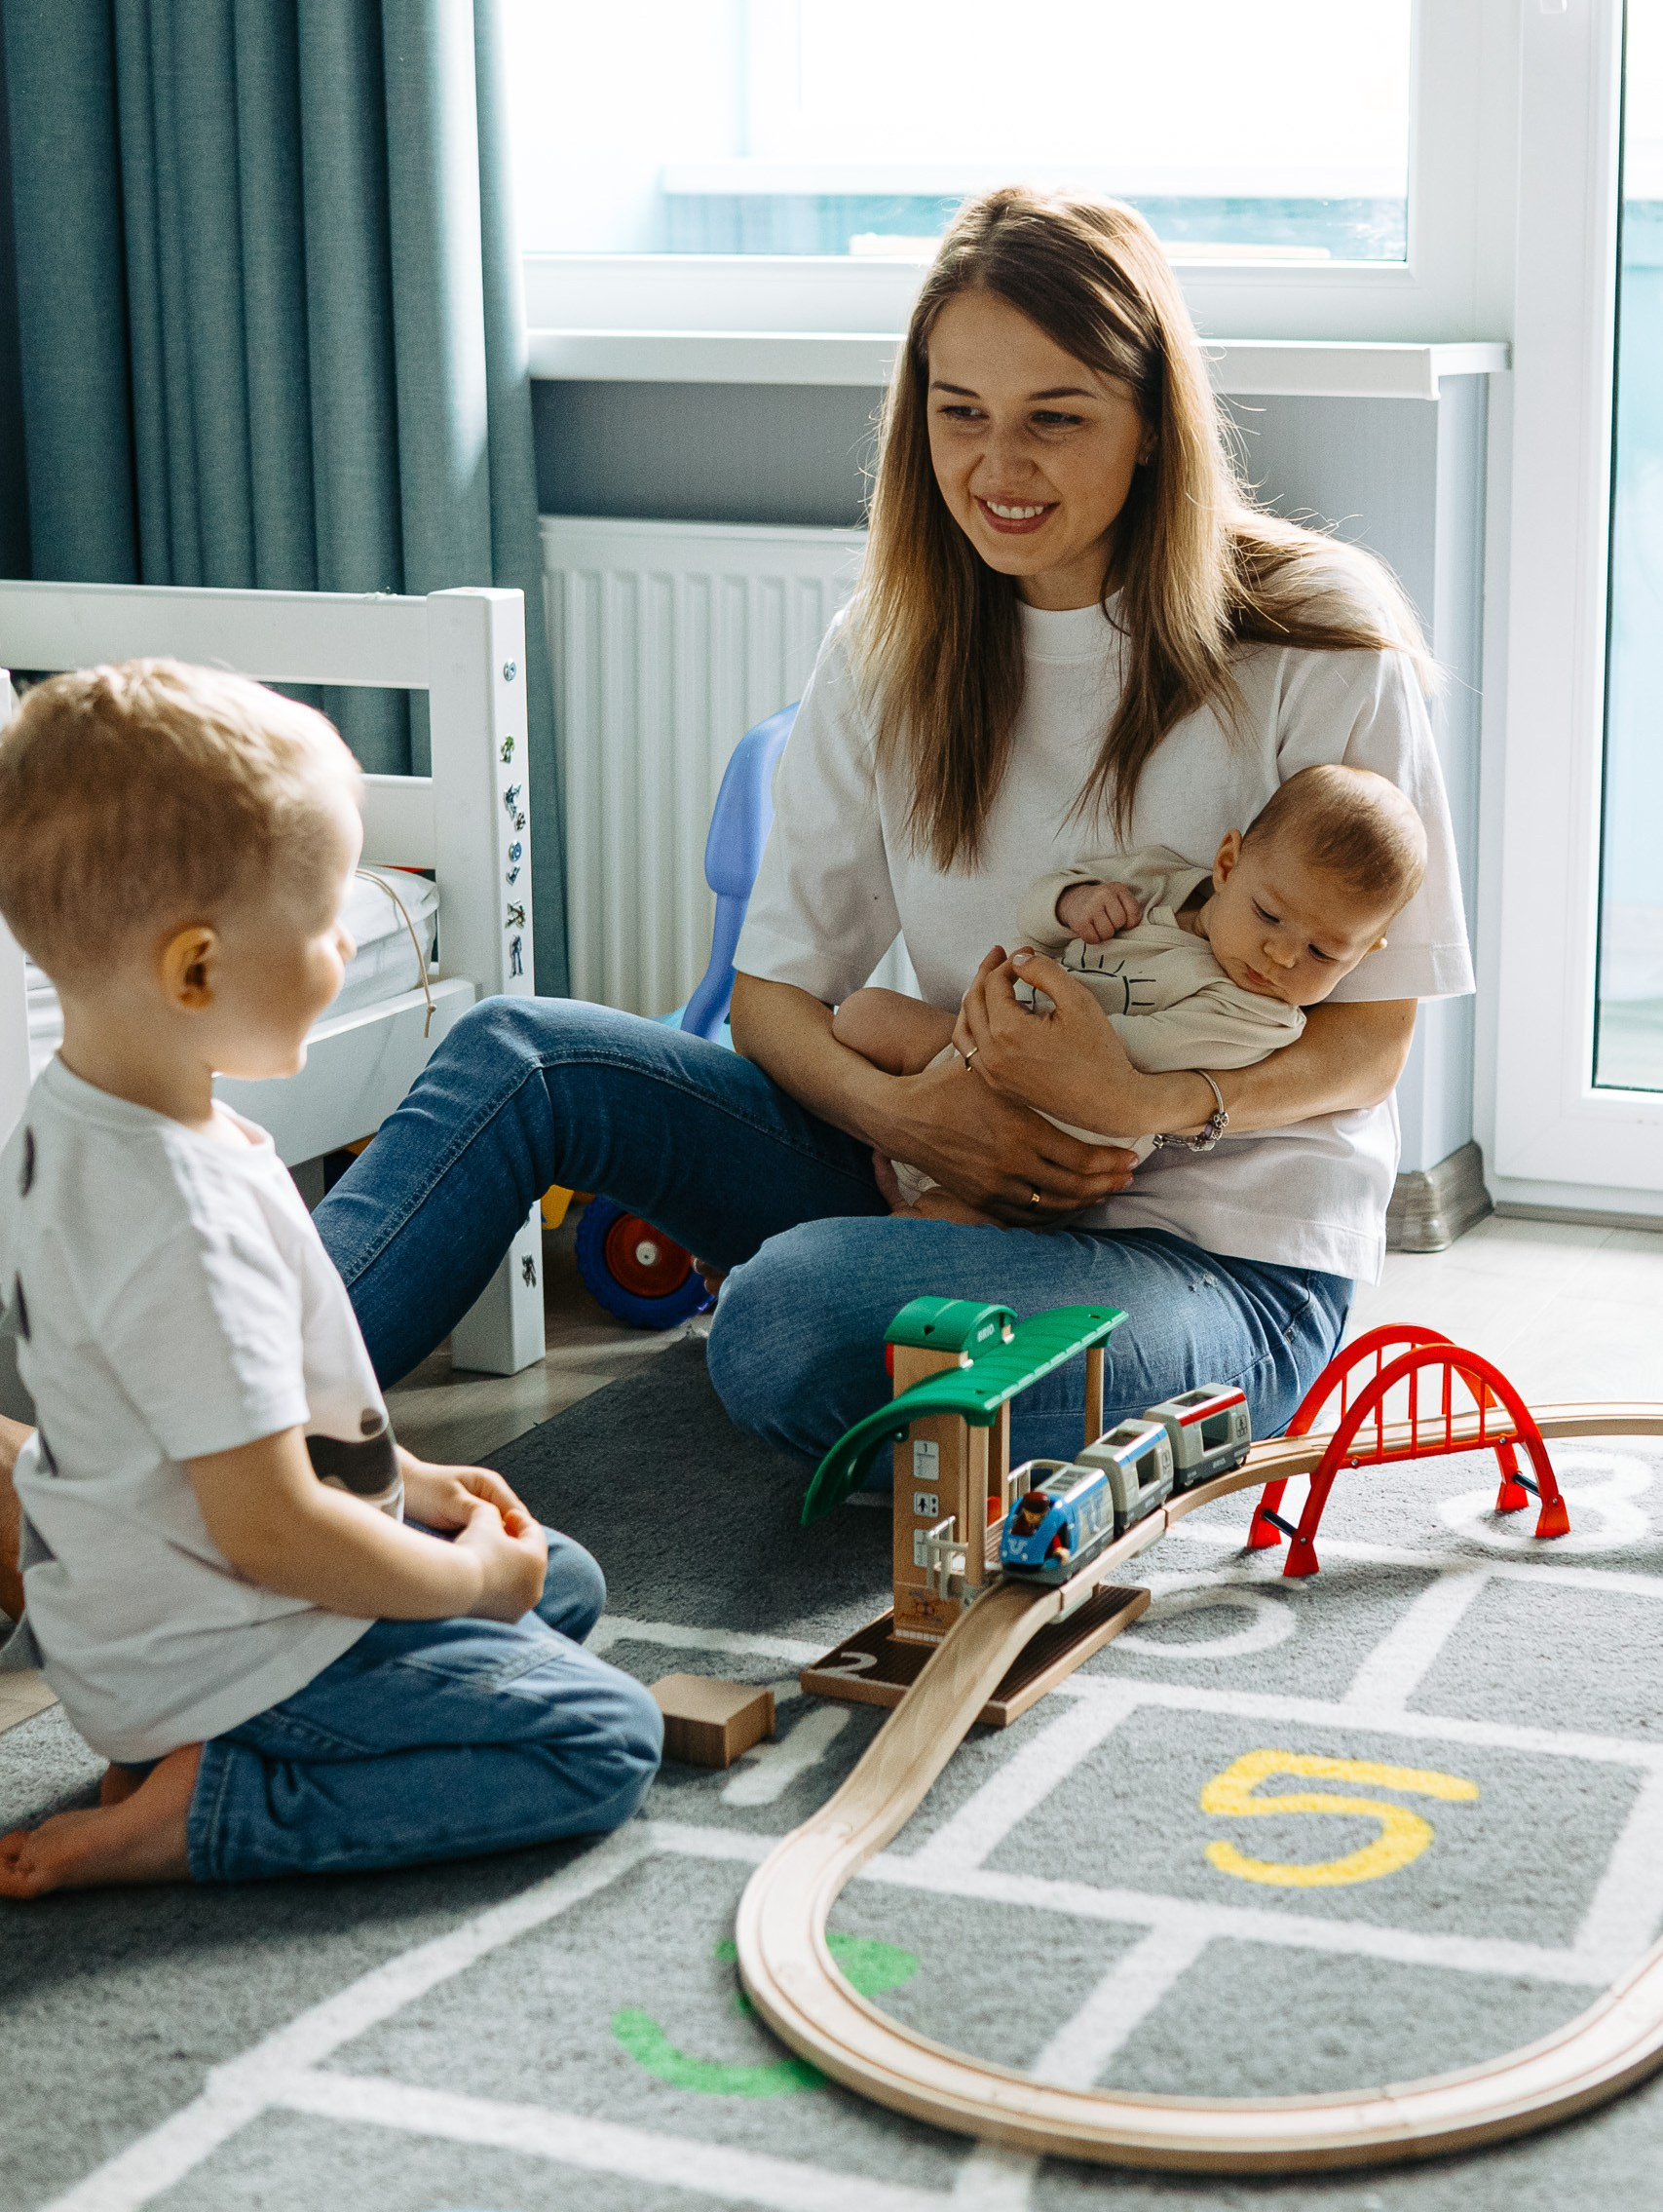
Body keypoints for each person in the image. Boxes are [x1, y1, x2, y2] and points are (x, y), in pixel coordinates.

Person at [309, 187, 1473, 1471]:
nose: (994, 466)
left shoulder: (1313, 640)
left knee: (785, 1320)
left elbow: (1371, 1038)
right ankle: (217, 1436)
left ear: (1147, 425)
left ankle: (950, 1333)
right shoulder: (887, 645)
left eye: (1053, 418)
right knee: (518, 1050)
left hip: (1212, 1263)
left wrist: (1152, 1097)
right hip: (929, 1169)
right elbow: (771, 999)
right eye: (956, 412)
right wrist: (912, 1119)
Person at [0, 662, 660, 1899]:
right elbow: (270, 1532)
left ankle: (195, 1750)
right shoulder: (176, 1224)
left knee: (558, 1579)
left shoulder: (87, 1116)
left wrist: (407, 1483)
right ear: (195, 972)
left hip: (149, 1606)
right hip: (228, 1646)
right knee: (603, 1739)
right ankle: (215, 1805)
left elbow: (259, 1425)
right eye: (323, 924)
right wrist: (457, 1576)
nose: (351, 941)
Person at [834, 762, 1428, 1215]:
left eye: (1323, 952)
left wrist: (1024, 1037)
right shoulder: (1158, 881)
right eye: (1269, 916)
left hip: (1050, 1142)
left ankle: (907, 1206)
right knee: (861, 1013)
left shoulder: (1260, 1016)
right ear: (1227, 864)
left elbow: (1134, 1060)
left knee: (937, 1225)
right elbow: (1037, 910)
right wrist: (1075, 903)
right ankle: (896, 1131)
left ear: (1364, 955)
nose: (1282, 956)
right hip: (980, 1047)